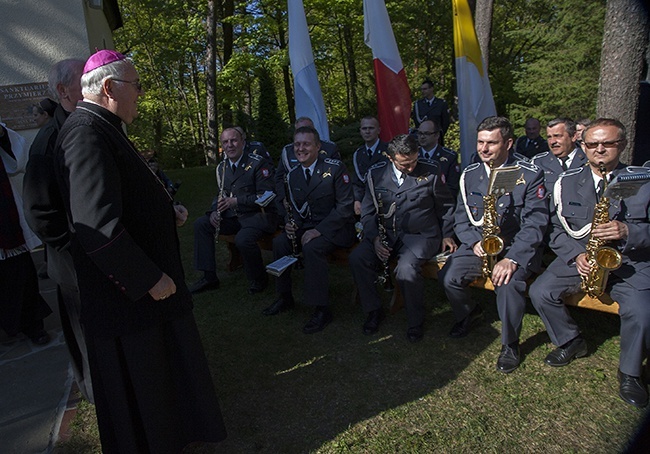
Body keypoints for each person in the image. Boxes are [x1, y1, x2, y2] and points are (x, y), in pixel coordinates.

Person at [53, 50, 226, 452]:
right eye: (137, 86)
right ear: (110, 88)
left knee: (164, 383)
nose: (141, 95)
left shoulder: (104, 126)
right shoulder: (85, 134)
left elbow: (126, 198)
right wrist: (148, 277)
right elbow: (96, 224)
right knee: (146, 390)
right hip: (128, 300)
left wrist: (167, 212)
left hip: (142, 299)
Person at [529, 118, 650, 409]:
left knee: (642, 311)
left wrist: (629, 231)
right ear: (583, 145)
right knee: (539, 292)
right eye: (592, 144)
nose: (599, 149)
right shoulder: (567, 182)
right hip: (582, 258)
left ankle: (630, 372)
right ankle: (571, 341)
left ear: (621, 145)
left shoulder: (643, 180)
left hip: (629, 261)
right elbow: (555, 229)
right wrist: (575, 255)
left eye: (607, 143)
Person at [440, 116, 548, 373]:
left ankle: (510, 344)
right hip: (480, 244)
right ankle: (469, 313)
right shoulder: (469, 174)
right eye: (480, 142)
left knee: (507, 284)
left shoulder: (529, 174)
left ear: (509, 143)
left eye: (491, 143)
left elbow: (536, 223)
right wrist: (473, 242)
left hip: (515, 247)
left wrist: (513, 259)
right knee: (448, 276)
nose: (483, 149)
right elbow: (461, 217)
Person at [23, 58, 94, 401]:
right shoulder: (48, 141)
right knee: (86, 337)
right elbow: (39, 212)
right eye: (86, 79)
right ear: (64, 91)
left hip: (91, 256)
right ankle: (97, 393)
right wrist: (74, 246)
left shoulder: (83, 125)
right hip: (72, 263)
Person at [350, 134, 456, 341]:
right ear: (391, 158)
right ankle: (373, 311)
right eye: (405, 164)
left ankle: (416, 320)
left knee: (406, 269)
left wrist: (448, 234)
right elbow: (368, 212)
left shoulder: (431, 171)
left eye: (414, 161)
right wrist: (374, 239)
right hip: (385, 234)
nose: (411, 167)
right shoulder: (375, 174)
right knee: (357, 259)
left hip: (421, 235)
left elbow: (446, 206)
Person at [263, 125, 355, 334]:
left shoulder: (335, 169)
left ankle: (321, 308)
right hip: (306, 226)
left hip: (336, 228)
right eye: (297, 144)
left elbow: (345, 208)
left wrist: (318, 230)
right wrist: (290, 222)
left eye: (306, 144)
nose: (301, 149)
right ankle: (284, 297)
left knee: (313, 247)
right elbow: (295, 207)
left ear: (317, 146)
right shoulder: (293, 175)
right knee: (279, 243)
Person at [188, 127, 278, 295]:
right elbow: (221, 193)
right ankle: (209, 277)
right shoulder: (222, 167)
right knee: (202, 224)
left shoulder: (258, 163)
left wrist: (236, 201)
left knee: (243, 239)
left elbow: (267, 195)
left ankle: (258, 279)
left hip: (258, 216)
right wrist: (215, 210)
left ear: (243, 143)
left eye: (234, 140)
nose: (230, 145)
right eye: (225, 142)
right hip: (235, 217)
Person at [0, 122, 52, 345]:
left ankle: (32, 324)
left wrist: (2, 135)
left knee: (19, 271)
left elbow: (15, 163)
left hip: (4, 216)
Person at [275, 116, 339, 204]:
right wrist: (283, 198)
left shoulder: (329, 147)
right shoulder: (288, 150)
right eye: (300, 130)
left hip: (326, 198)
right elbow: (279, 177)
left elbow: (338, 175)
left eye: (308, 129)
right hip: (297, 200)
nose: (304, 133)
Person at [531, 118, 588, 201]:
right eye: (549, 137)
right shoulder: (538, 163)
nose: (552, 142)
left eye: (557, 136)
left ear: (573, 136)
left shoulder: (588, 161)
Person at [351, 116, 389, 215]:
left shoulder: (389, 151)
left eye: (371, 128)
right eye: (364, 128)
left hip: (387, 199)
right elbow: (357, 182)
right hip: (366, 202)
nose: (367, 131)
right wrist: (357, 200)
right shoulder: (358, 154)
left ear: (378, 130)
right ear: (360, 131)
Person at [416, 118, 461, 197]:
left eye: (426, 133)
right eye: (420, 133)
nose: (422, 137)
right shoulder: (414, 155)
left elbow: (452, 187)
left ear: (437, 135)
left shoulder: (449, 157)